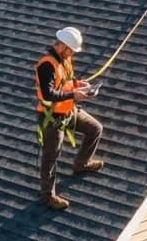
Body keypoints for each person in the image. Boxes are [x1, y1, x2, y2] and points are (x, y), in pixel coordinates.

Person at [36, 26, 104, 210]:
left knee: (95, 129)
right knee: (51, 156)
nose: (73, 53)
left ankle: (81, 163)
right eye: (72, 50)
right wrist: (74, 95)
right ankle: (48, 196)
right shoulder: (47, 65)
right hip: (52, 117)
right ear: (63, 46)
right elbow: (47, 94)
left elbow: (65, 82)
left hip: (68, 110)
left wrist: (77, 84)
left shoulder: (65, 60)